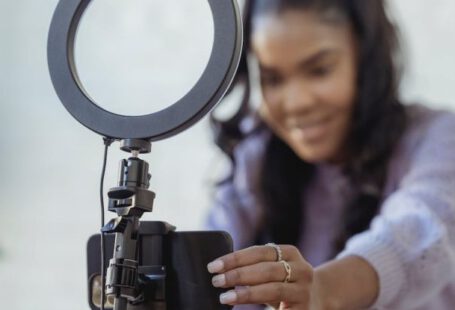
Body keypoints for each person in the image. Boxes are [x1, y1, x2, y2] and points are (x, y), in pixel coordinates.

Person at [204, 0, 455, 309]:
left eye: (319, 70)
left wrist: (322, 290)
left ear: (366, 59)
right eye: (273, 79)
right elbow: (213, 265)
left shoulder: (439, 137)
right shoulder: (255, 158)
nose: (296, 102)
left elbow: (420, 233)